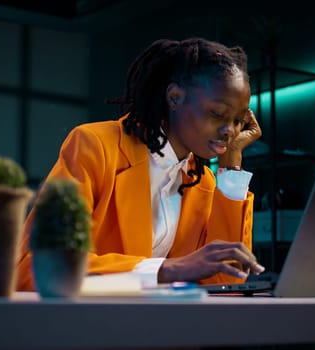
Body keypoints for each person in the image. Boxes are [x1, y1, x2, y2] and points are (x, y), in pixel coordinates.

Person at [16, 37, 265, 291]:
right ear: (175, 97)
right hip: (85, 322)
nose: (229, 131)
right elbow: (34, 267)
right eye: (217, 114)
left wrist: (231, 163)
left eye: (238, 120)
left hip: (154, 324)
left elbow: (226, 281)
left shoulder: (203, 181)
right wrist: (167, 269)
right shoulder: (95, 147)